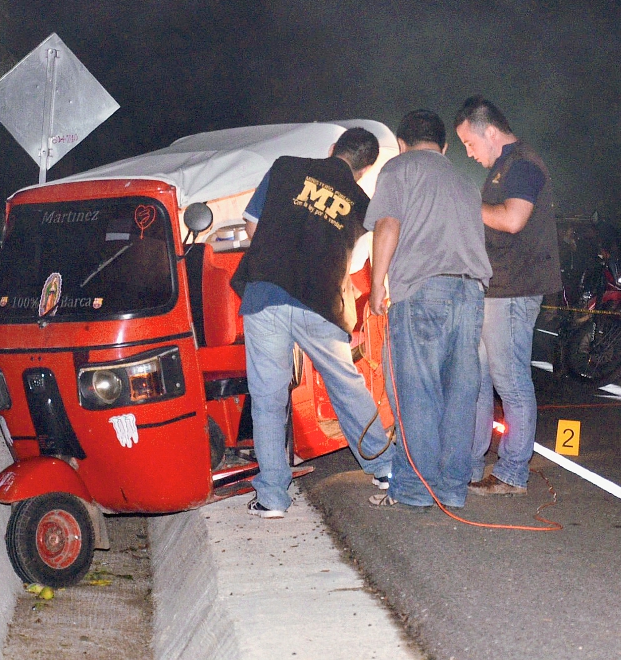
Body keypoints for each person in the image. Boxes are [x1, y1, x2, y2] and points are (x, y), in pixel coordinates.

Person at [230, 127, 396, 518]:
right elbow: (353, 264)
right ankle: (384, 467)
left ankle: (272, 497)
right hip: (321, 303)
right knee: (346, 383)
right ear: (365, 169)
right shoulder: (361, 202)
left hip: (267, 293)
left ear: (332, 149)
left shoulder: (285, 167)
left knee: (269, 399)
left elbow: (254, 227)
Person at [364, 109, 492, 510]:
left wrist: (375, 288)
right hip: (470, 293)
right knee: (460, 394)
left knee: (416, 392)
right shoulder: (466, 182)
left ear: (402, 143)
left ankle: (416, 490)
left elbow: (387, 225)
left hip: (422, 291)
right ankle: (453, 490)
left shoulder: (398, 169)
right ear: (445, 146)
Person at [454, 96, 562, 496]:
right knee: (479, 382)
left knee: (510, 381)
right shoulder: (502, 168)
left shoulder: (523, 165)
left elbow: (513, 220)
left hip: (515, 289)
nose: (469, 152)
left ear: (491, 132)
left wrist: (468, 202)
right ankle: (470, 463)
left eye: (470, 143)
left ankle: (513, 471)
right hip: (495, 286)